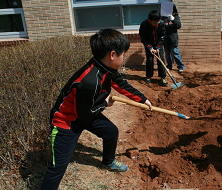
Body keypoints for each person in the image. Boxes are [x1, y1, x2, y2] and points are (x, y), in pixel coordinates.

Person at [41, 28, 152, 190]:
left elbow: (122, 85)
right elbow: (83, 114)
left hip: (86, 112)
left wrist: (143, 99)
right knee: (58, 167)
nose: (124, 57)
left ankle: (108, 162)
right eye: (123, 54)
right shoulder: (90, 81)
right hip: (66, 122)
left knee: (111, 132)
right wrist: (104, 104)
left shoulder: (107, 69)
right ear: (112, 55)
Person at [139, 10, 168, 86]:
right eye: (154, 22)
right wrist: (150, 48)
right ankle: (148, 77)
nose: (156, 24)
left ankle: (163, 77)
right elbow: (143, 38)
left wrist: (158, 47)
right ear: (149, 20)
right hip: (149, 45)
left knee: (161, 60)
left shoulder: (161, 24)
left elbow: (162, 36)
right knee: (150, 60)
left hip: (158, 45)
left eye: (157, 22)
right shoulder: (144, 25)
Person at [162, 4, 184, 73]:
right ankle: (169, 65)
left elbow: (178, 26)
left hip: (173, 38)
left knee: (175, 52)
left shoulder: (176, 17)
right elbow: (161, 28)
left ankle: (180, 66)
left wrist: (173, 19)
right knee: (167, 53)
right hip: (165, 38)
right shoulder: (163, 18)